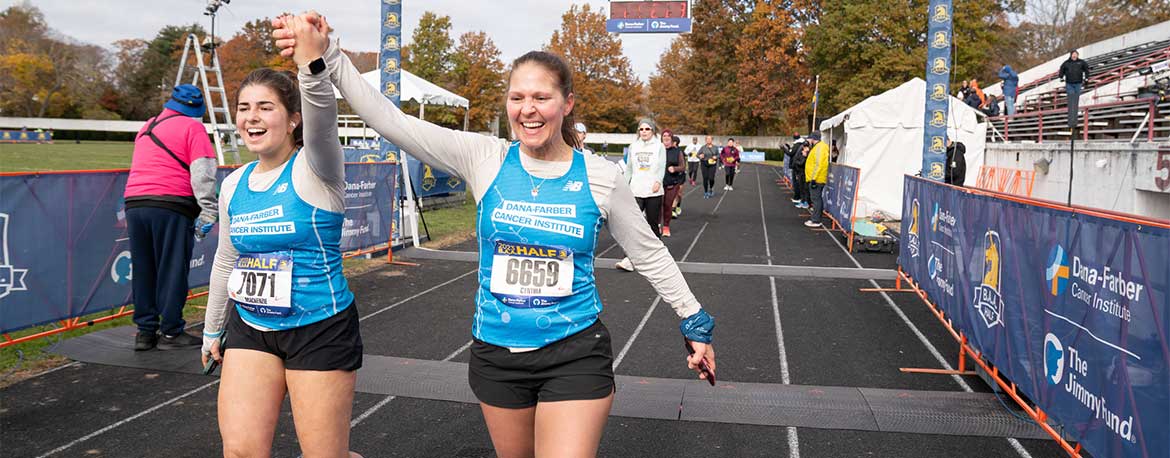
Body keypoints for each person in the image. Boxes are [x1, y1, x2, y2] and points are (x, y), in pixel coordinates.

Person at [277, 15, 717, 458]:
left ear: (566, 104)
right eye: (517, 97)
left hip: (575, 351)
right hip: (497, 354)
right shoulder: (484, 157)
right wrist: (327, 56)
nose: (528, 109)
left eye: (542, 97)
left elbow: (648, 252)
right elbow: (393, 122)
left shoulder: (601, 177)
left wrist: (693, 320)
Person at [203, 16, 365, 457]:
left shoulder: (317, 167)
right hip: (252, 328)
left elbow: (323, 115)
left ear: (294, 119)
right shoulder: (234, 183)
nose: (251, 118)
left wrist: (309, 60)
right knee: (239, 451)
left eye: (265, 107)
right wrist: (211, 329)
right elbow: (226, 259)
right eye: (244, 108)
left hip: (318, 329)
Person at [124, 83, 218, 351]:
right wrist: (209, 209)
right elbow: (203, 173)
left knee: (144, 269)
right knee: (173, 268)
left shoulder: (148, 126)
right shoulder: (193, 128)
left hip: (135, 203)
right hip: (172, 204)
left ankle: (145, 332)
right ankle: (172, 330)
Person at [661, 131, 686, 236]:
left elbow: (683, 166)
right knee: (657, 206)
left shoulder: (677, 152)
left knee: (668, 205)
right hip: (658, 183)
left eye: (668, 136)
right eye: (664, 136)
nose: (666, 138)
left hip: (672, 183)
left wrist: (674, 168)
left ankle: (666, 226)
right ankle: (657, 225)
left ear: (672, 138)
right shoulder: (658, 150)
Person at [804, 132, 830, 228]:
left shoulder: (819, 148)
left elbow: (819, 164)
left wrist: (814, 179)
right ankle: (816, 219)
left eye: (809, 139)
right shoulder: (819, 147)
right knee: (817, 199)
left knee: (816, 199)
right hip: (817, 177)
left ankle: (816, 220)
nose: (808, 141)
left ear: (813, 139)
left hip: (817, 178)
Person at [1059, 50, 1090, 128]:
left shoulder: (1081, 62)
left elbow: (1087, 69)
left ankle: (1074, 119)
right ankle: (1070, 119)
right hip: (1069, 83)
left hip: (1078, 83)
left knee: (1076, 99)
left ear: (1077, 55)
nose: (1074, 56)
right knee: (1071, 98)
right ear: (1071, 55)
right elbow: (1061, 69)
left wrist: (1086, 78)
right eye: (1073, 54)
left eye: (1076, 54)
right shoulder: (1066, 63)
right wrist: (1061, 77)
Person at [790, 136, 809, 208]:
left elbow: (801, 163)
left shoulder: (806, 154)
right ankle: (802, 200)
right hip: (799, 172)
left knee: (804, 188)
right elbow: (797, 160)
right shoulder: (801, 152)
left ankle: (806, 202)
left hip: (804, 173)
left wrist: (804, 156)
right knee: (801, 187)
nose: (803, 148)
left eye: (805, 147)